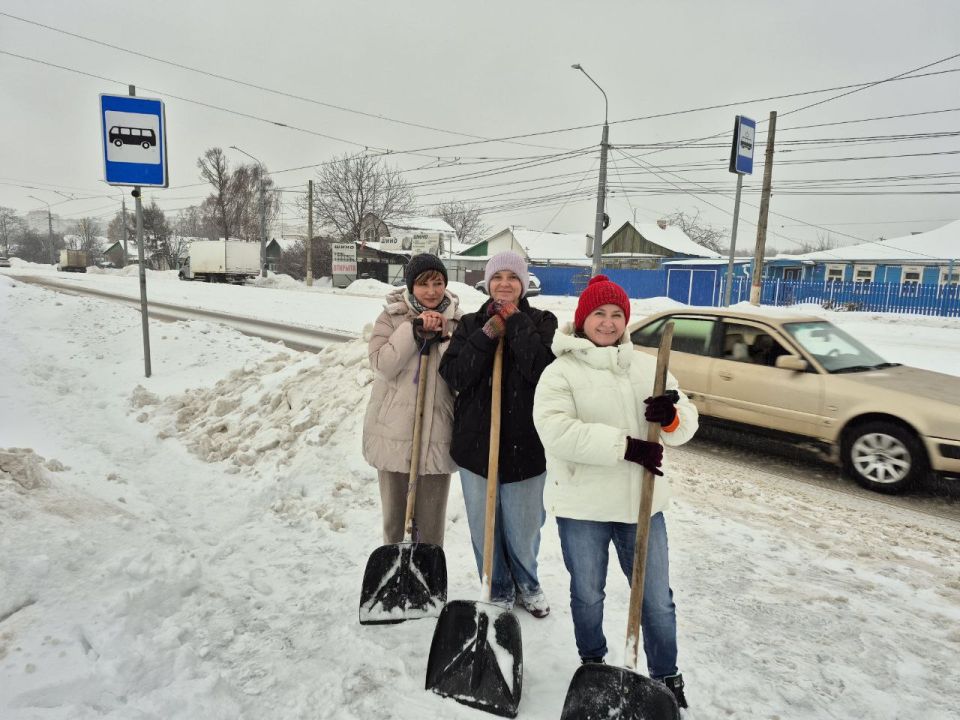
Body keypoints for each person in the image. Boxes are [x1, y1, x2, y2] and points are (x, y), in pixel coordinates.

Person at [532, 275, 698, 709]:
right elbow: (556, 432)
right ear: (582, 319)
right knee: (588, 593)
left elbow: (686, 423)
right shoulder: (560, 372)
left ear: (626, 321)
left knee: (656, 599)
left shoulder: (648, 368)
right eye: (598, 314)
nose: (607, 323)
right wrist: (627, 447)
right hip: (582, 505)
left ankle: (667, 676)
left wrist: (672, 417)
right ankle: (593, 665)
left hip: (643, 507)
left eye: (616, 315)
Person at [438, 251, 557, 617]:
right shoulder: (471, 322)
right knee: (484, 526)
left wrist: (517, 324)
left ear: (523, 284)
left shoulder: (543, 321)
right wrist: (488, 334)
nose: (504, 284)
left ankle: (527, 582)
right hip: (477, 444)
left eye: (513, 277)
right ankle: (497, 583)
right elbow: (456, 375)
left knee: (524, 527)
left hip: (526, 446)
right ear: (487, 283)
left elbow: (543, 370)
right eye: (497, 277)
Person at [362, 254, 462, 547]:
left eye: (438, 283)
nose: (432, 291)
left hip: (437, 436)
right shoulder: (391, 318)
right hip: (393, 434)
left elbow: (462, 376)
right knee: (395, 524)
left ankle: (427, 584)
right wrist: (412, 331)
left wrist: (445, 337)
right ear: (410, 285)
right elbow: (381, 365)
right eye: (423, 284)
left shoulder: (458, 322)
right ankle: (394, 580)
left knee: (430, 530)